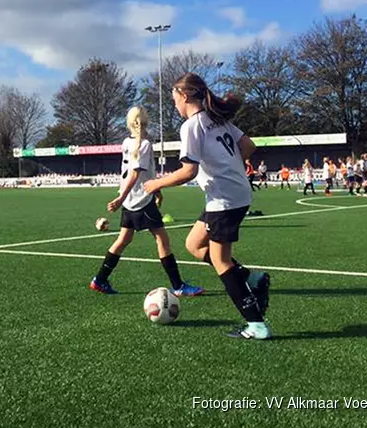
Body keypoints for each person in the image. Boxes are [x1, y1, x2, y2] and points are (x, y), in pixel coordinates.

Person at [142, 73, 271, 340]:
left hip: (224, 199)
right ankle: (252, 278)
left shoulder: (191, 126)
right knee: (193, 244)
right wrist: (228, 166)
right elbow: (249, 145)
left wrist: (157, 184)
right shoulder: (217, 118)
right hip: (232, 194)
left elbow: (189, 171)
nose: (175, 105)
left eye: (174, 99)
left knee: (220, 261)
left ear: (185, 96)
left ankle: (256, 325)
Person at [90, 106, 205, 298]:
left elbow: (141, 173)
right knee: (163, 240)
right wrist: (121, 197)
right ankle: (178, 285)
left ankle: (100, 279)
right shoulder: (144, 144)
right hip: (141, 200)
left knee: (124, 239)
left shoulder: (126, 142)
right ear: (146, 122)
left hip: (131, 200)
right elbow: (135, 174)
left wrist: (146, 192)